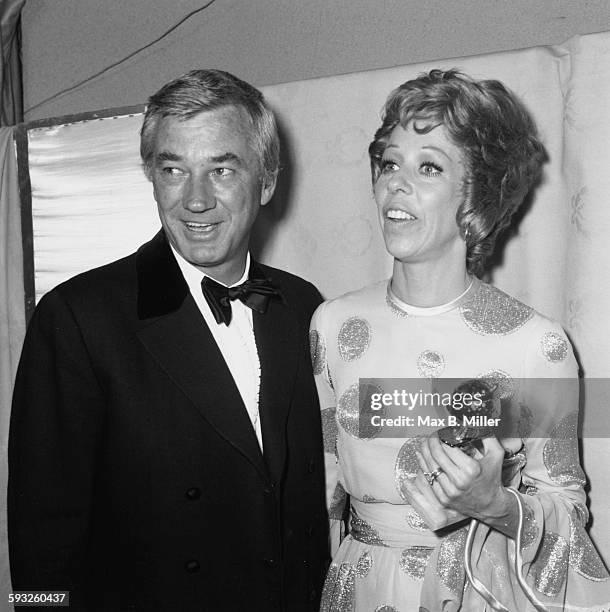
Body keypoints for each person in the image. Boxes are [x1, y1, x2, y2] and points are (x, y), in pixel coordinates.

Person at [8, 69, 329, 611]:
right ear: (152, 177)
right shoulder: (78, 318)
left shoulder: (301, 306)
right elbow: (41, 531)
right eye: (174, 169)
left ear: (266, 182)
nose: (195, 200)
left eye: (222, 170)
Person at [311, 69, 610, 611]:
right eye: (389, 163)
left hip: (478, 590)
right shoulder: (330, 326)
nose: (396, 183)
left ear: (477, 197)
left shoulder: (534, 344)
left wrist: (493, 504)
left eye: (429, 166)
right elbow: (327, 490)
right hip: (361, 586)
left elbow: (568, 511)